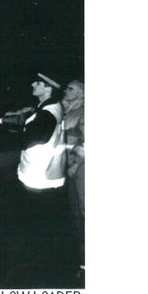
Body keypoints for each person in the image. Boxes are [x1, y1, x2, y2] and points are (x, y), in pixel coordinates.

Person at [0, 72, 70, 286]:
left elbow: (30, 137)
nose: (33, 84)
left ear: (48, 88)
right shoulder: (47, 108)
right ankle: (35, 268)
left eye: (38, 83)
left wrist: (2, 137)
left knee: (33, 229)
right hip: (41, 177)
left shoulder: (49, 112)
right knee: (36, 228)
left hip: (39, 180)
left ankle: (32, 275)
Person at [62, 79, 85, 283]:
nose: (65, 90)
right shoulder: (67, 111)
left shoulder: (84, 112)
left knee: (84, 212)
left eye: (70, 88)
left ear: (81, 94)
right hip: (67, 167)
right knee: (74, 211)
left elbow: (85, 141)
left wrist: (77, 163)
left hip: (79, 168)